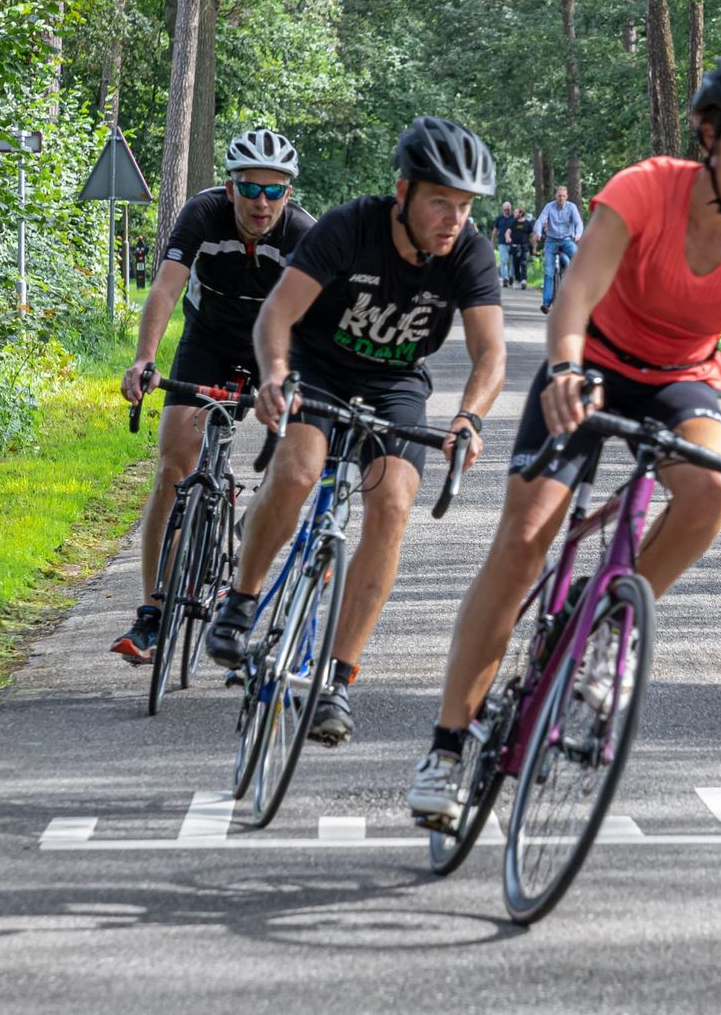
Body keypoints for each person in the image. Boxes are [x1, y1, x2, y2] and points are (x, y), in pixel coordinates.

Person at [407, 55, 721, 825]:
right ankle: (446, 749)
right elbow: (576, 293)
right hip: (591, 363)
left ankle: (610, 634)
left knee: (713, 486)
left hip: (677, 379)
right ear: (710, 135)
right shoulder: (646, 187)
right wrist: (563, 366)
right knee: (525, 537)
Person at [203, 117, 507, 747]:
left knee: (393, 505)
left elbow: (491, 355)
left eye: (465, 205)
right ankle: (241, 600)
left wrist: (469, 416)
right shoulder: (351, 226)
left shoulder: (470, 253)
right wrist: (275, 376)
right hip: (318, 369)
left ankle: (337, 677)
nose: (453, 218)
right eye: (440, 202)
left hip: (397, 382)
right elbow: (277, 314)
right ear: (403, 194)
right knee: (296, 470)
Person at [113, 129, 316, 664]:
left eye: (275, 192)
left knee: (293, 464)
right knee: (174, 463)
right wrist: (144, 358)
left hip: (273, 349)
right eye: (251, 189)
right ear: (231, 188)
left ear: (288, 194)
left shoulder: (302, 233)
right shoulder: (202, 213)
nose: (262, 203)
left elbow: (318, 320)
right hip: (207, 341)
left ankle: (248, 537)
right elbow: (165, 288)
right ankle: (153, 612)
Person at [534, 184, 583, 312]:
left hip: (567, 240)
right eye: (559, 196)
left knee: (578, 261)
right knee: (549, 272)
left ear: (567, 197)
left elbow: (578, 223)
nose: (561, 198)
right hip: (551, 241)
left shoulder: (572, 207)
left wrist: (578, 234)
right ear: (555, 196)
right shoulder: (549, 207)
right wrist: (538, 232)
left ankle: (579, 296)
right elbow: (540, 221)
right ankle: (546, 303)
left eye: (563, 196)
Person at [492, 201, 517, 287]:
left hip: (513, 242)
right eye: (505, 209)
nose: (507, 211)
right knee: (503, 261)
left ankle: (510, 276)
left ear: (511, 209)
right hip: (502, 242)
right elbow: (495, 231)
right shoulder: (499, 218)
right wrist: (492, 242)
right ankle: (505, 279)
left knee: (512, 261)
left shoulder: (514, 218)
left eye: (508, 209)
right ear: (503, 209)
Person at [509, 205, 534, 286]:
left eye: (516, 212)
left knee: (524, 263)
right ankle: (517, 280)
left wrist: (534, 247)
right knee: (515, 263)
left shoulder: (528, 223)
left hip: (525, 246)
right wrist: (508, 237)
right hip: (515, 246)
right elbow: (508, 232)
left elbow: (532, 236)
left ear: (521, 213)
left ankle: (523, 280)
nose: (514, 214)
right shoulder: (513, 222)